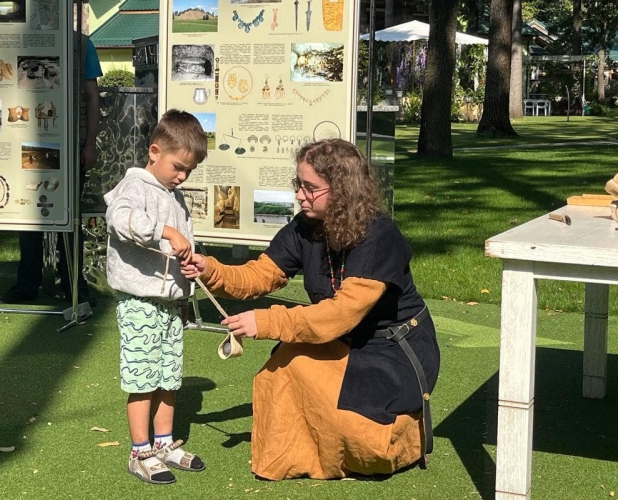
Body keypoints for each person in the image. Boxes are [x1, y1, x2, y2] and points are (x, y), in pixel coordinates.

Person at [182, 139, 440, 481]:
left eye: (310, 188)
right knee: (283, 367)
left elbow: (340, 315)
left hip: (394, 350)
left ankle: (403, 440)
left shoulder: (379, 235)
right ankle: (302, 457)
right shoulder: (307, 226)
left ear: (344, 190)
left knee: (362, 440)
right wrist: (210, 270)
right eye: (298, 185)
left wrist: (268, 320)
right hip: (346, 343)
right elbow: (261, 274)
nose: (300, 196)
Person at [104, 109, 208, 484]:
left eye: (189, 172)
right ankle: (140, 451)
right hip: (139, 302)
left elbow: (182, 247)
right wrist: (166, 230)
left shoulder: (173, 195)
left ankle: (163, 443)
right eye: (178, 167)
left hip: (168, 303)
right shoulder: (133, 187)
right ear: (154, 151)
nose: (182, 176)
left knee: (169, 376)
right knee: (142, 378)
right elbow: (120, 220)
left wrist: (186, 286)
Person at [0, 35, 102, 305]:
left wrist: (89, 144)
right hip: (28, 142)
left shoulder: (81, 43)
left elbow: (92, 96)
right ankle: (27, 285)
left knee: (69, 219)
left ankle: (74, 287)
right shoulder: (23, 40)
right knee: (29, 215)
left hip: (70, 144)